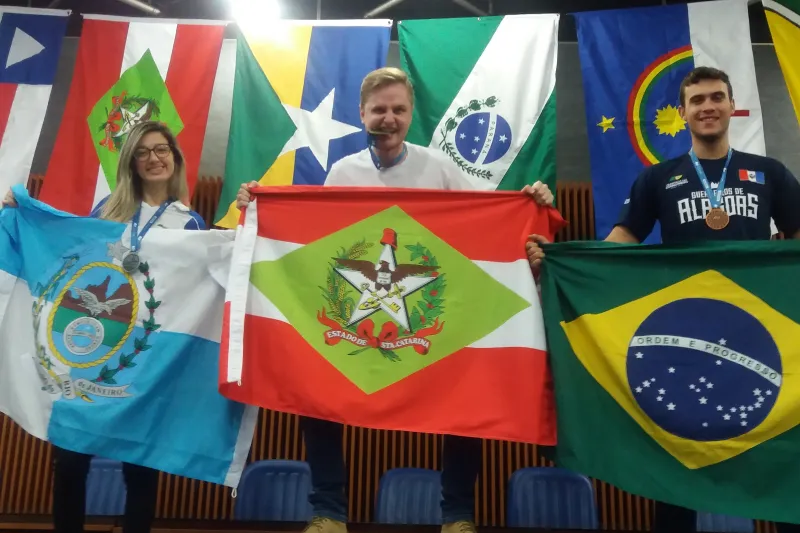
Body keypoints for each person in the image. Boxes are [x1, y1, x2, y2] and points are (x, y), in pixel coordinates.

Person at [235, 66, 554, 533]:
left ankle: (458, 516)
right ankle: (328, 512)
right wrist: (257, 205)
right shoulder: (343, 172)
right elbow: (319, 246)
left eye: (398, 109)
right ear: (362, 113)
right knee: (312, 384)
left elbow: (485, 228)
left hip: (429, 316)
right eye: (379, 109)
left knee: (469, 389)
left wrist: (530, 202)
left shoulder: (440, 168)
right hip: (360, 317)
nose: (389, 118)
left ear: (410, 113)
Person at [526, 66, 800, 533]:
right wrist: (557, 260)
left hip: (759, 337)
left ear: (732, 106)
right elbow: (619, 245)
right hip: (686, 340)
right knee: (678, 451)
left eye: (716, 97)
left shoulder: (769, 173)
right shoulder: (659, 178)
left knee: (777, 454)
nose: (708, 107)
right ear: (684, 113)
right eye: (698, 100)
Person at [3, 120, 205, 533]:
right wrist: (23, 213)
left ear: (175, 157)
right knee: (70, 459)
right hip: (96, 345)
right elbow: (72, 252)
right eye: (143, 152)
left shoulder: (191, 223)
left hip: (148, 355)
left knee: (140, 465)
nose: (154, 158)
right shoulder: (107, 211)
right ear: (131, 163)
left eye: (161, 149)